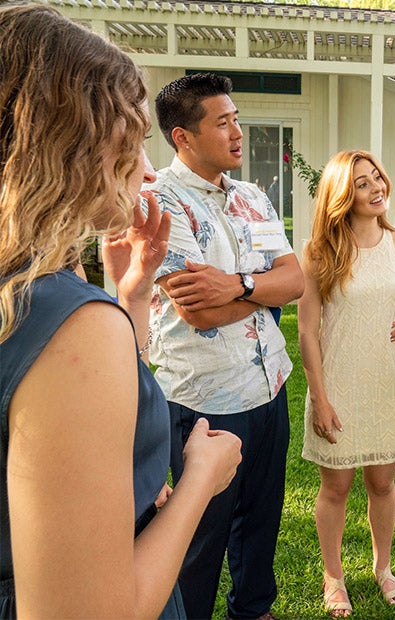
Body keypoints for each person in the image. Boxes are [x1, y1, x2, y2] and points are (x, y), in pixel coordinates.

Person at [0, 5, 242, 619]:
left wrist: (130, 297)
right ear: (70, 151)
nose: (148, 169)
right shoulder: (69, 322)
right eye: (131, 143)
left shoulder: (29, 289)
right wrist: (200, 481)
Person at [147, 73, 304, 620]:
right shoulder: (158, 201)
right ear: (182, 137)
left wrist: (238, 285)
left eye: (237, 118)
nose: (239, 131)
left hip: (269, 385)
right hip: (202, 399)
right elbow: (198, 310)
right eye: (223, 122)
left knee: (261, 523)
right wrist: (265, 293)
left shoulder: (254, 197)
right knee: (199, 536)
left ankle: (253, 610)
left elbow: (296, 279)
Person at [297, 150, 395, 617]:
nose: (376, 188)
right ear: (341, 194)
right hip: (337, 384)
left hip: (386, 380)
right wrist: (319, 398)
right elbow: (306, 331)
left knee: (382, 482)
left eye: (377, 177)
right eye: (361, 183)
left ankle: (382, 567)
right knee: (335, 487)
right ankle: (333, 576)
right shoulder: (319, 253)